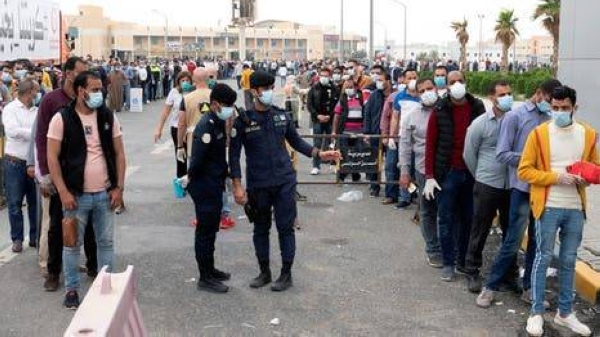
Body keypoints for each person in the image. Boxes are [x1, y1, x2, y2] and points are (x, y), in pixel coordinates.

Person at [229, 71, 340, 292]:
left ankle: (286, 274)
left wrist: (319, 154)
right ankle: (264, 272)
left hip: (284, 181)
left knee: (285, 228)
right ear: (254, 91)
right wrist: (237, 185)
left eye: (272, 87)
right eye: (266, 89)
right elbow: (233, 155)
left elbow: (297, 142)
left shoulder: (281, 116)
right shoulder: (243, 121)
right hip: (258, 183)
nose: (270, 92)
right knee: (260, 229)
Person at [476, 79, 563, 308]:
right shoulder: (515, 117)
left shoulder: (551, 119)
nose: (551, 107)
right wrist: (530, 161)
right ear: (537, 94)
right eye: (548, 101)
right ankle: (491, 287)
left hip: (545, 191)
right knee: (512, 241)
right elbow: (502, 154)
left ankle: (529, 289)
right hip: (522, 190)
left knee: (538, 243)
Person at [46, 71, 126, 309]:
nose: (98, 93)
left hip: (105, 194)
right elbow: (52, 156)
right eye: (93, 89)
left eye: (100, 89)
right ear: (81, 91)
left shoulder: (107, 116)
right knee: (71, 244)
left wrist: (119, 187)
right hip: (75, 196)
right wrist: (63, 191)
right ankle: (72, 289)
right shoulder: (62, 118)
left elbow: (120, 153)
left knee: (106, 243)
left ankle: (106, 288)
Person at [520, 86, 594, 337]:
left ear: (575, 107)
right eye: (555, 107)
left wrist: (587, 177)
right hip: (548, 205)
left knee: (569, 260)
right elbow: (524, 171)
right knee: (543, 257)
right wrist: (555, 177)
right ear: (550, 105)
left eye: (565, 108)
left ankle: (565, 313)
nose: (559, 112)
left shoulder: (589, 134)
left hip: (575, 208)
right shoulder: (539, 134)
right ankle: (536, 313)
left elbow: (595, 167)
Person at [36, 56, 97, 292]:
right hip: (60, 176)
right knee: (57, 226)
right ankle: (53, 272)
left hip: (87, 174)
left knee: (90, 224)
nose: (85, 75)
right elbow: (41, 139)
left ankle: (93, 266)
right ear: (69, 73)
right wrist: (45, 174)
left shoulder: (89, 99)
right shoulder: (52, 101)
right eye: (81, 71)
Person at [423, 70, 485, 281]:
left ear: (465, 83)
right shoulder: (439, 109)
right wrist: (430, 175)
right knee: (446, 219)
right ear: (447, 86)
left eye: (460, 81)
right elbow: (430, 144)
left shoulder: (477, 107)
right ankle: (448, 263)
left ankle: (462, 261)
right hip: (447, 174)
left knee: (468, 219)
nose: (457, 84)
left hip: (471, 173)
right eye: (452, 82)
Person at [462, 80, 513, 293]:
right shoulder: (480, 124)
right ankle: (472, 271)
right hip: (487, 184)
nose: (507, 97)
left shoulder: (514, 121)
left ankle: (509, 274)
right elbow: (469, 154)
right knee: (480, 229)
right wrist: (481, 176)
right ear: (492, 97)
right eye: (502, 94)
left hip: (511, 185)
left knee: (511, 232)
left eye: (509, 93)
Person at [187, 83, 237, 293]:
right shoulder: (206, 125)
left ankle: (210, 269)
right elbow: (197, 161)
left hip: (214, 184)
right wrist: (198, 185)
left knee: (211, 230)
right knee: (205, 232)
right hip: (204, 186)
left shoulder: (217, 121)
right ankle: (204, 278)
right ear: (215, 104)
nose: (230, 109)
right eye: (227, 105)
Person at [399, 78, 442, 268]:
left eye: (429, 88)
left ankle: (450, 249)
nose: (426, 92)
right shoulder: (412, 116)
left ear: (437, 89)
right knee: (428, 211)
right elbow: (405, 146)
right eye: (422, 90)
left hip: (445, 169)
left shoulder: (445, 111)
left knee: (447, 212)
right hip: (423, 171)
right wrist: (404, 171)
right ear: (416, 93)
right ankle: (433, 249)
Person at [2, 79, 40, 252]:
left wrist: (32, 134)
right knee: (15, 203)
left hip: (33, 162)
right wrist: (33, 134)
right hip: (14, 162)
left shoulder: (37, 111)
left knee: (34, 203)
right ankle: (17, 238)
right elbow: (12, 131)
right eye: (36, 91)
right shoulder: (10, 109)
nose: (38, 94)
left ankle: (34, 237)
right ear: (29, 92)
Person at [389, 69, 420, 207]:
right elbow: (395, 117)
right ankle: (404, 197)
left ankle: (414, 194)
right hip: (404, 137)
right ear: (404, 80)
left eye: (414, 77)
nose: (412, 80)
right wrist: (391, 136)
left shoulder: (423, 96)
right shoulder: (399, 97)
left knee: (417, 167)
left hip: (419, 137)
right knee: (404, 166)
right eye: (409, 78)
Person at [154, 71, 193, 178]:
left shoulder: (194, 92)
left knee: (193, 154)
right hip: (177, 128)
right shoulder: (174, 92)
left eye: (187, 80)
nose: (185, 83)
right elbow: (166, 112)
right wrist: (159, 129)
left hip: (191, 128)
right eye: (182, 81)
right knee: (180, 154)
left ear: (191, 81)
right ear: (178, 82)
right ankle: (181, 179)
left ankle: (194, 179)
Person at [363, 72, 392, 197]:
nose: (378, 82)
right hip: (376, 133)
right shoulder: (374, 95)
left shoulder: (395, 95)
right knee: (375, 162)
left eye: (381, 80)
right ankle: (374, 187)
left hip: (391, 135)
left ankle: (391, 190)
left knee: (391, 164)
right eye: (377, 80)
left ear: (388, 81)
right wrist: (367, 133)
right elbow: (367, 114)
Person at [307, 67, 338, 175]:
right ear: (319, 76)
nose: (324, 77)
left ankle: (333, 164)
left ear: (329, 76)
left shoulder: (334, 88)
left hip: (330, 120)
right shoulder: (314, 88)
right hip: (317, 120)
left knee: (332, 143)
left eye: (326, 76)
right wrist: (317, 115)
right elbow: (309, 105)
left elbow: (337, 105)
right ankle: (316, 166)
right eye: (322, 76)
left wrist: (330, 116)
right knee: (317, 143)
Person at [332, 77, 364, 183]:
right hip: (345, 132)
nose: (349, 89)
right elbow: (336, 116)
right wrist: (334, 131)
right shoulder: (342, 100)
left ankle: (355, 174)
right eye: (347, 87)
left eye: (351, 87)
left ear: (355, 88)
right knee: (344, 154)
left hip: (358, 132)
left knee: (357, 154)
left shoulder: (361, 98)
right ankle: (342, 175)